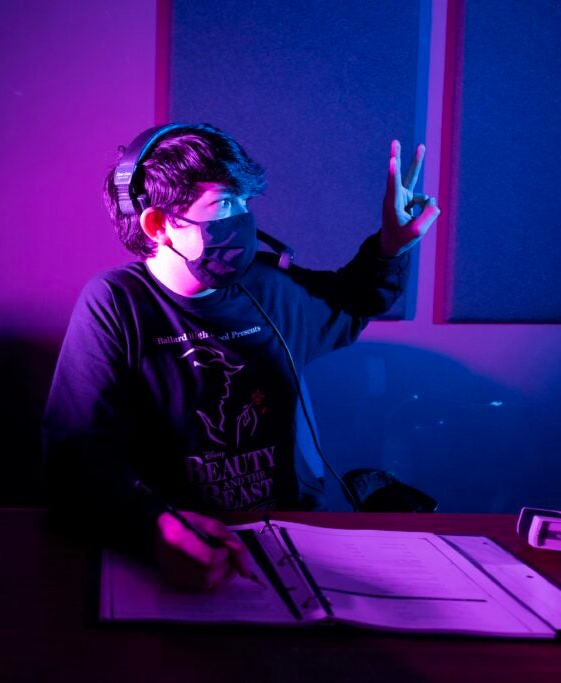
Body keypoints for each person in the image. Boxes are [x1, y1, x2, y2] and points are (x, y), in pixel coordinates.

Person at [42, 123, 439, 592]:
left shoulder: (267, 287)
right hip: (185, 546)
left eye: (245, 204)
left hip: (292, 538)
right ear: (159, 224)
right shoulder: (115, 303)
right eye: (224, 205)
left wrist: (390, 247)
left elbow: (349, 301)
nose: (244, 220)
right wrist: (153, 526)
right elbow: (75, 455)